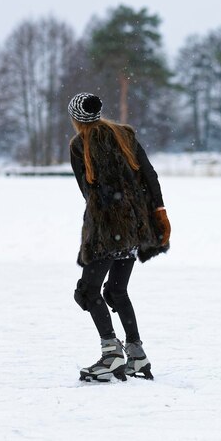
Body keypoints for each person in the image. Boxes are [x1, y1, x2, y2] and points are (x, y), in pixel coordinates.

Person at [68, 92, 171, 383]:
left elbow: (87, 193)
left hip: (107, 229)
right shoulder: (124, 135)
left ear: (76, 118)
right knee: (115, 291)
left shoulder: (80, 145)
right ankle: (136, 356)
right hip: (135, 227)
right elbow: (149, 175)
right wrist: (159, 211)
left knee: (87, 291)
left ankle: (111, 355)